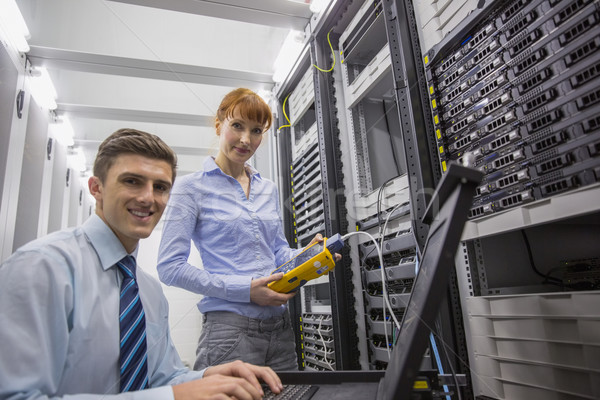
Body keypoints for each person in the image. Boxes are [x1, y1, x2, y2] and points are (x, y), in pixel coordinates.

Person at [0, 128, 283, 400]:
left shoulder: (147, 291)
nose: (148, 198)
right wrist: (175, 395)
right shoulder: (42, 268)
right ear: (96, 188)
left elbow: (164, 379)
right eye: (132, 181)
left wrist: (208, 377)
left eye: (160, 187)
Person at [157, 88, 333, 371]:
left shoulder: (268, 189)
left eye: (256, 131)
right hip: (229, 332)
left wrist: (309, 255)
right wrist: (245, 290)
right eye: (237, 126)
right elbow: (170, 267)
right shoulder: (191, 189)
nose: (246, 139)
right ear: (219, 125)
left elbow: (276, 251)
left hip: (281, 330)